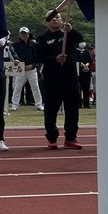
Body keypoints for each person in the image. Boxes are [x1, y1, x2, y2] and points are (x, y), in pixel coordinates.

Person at [36, 9, 83, 149]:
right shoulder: (42, 38)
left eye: (57, 17)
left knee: (72, 109)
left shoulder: (68, 35)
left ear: (62, 20)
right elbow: (38, 57)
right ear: (47, 22)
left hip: (70, 78)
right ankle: (52, 138)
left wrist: (71, 31)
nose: (55, 19)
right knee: (50, 110)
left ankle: (70, 137)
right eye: (51, 18)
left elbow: (80, 41)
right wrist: (54, 59)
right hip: (52, 79)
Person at [10, 27, 44, 111]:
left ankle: (39, 104)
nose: (24, 35)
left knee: (35, 87)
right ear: (20, 35)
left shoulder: (33, 45)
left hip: (32, 69)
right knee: (17, 87)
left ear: (28, 35)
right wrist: (19, 63)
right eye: (22, 34)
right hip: (20, 69)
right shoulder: (16, 45)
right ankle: (14, 104)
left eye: (25, 34)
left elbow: (36, 57)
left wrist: (32, 66)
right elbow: (14, 55)